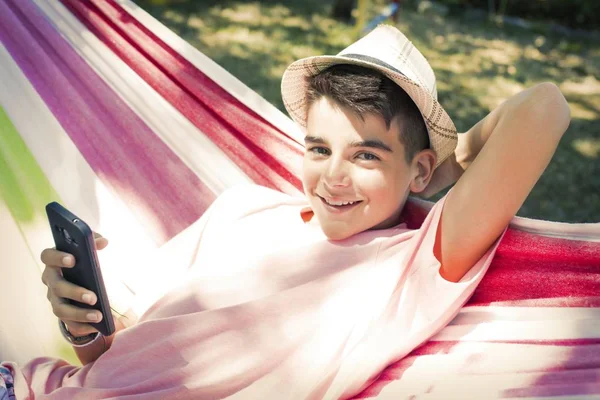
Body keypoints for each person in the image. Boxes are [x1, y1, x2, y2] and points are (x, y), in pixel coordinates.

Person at [2, 24, 570, 399]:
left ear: (418, 170)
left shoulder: (412, 266)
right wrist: (80, 319)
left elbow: (544, 106)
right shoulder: (243, 209)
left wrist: (436, 170)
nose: (333, 176)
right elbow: (114, 352)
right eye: (319, 148)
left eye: (366, 155)